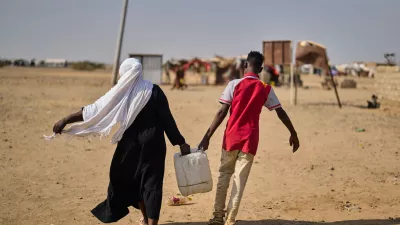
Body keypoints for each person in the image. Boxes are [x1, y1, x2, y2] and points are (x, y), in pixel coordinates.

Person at [49, 58, 190, 225]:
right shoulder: (154, 91)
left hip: (130, 145)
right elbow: (168, 120)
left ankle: (145, 219)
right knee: (152, 183)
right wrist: (180, 143)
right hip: (154, 144)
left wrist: (66, 119)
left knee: (131, 179)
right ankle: (149, 222)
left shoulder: (120, 92)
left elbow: (95, 109)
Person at [198, 51, 300, 225]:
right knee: (240, 178)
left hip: (231, 137)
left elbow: (222, 112)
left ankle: (217, 217)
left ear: (245, 65)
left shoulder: (234, 84)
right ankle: (230, 219)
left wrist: (206, 137)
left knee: (224, 175)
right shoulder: (265, 88)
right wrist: (293, 133)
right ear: (260, 69)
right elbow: (280, 112)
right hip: (250, 139)